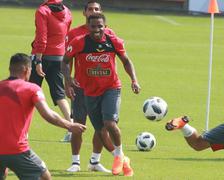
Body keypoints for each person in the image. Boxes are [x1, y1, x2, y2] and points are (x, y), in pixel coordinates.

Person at [62, 14, 141, 176]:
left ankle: (119, 154)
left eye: (100, 26)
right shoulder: (79, 42)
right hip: (89, 92)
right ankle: (122, 159)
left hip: (111, 88)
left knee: (109, 123)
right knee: (100, 130)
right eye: (93, 26)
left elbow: (126, 61)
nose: (97, 30)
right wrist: (68, 80)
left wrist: (134, 80)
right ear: (88, 26)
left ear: (105, 26)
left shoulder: (113, 41)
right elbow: (64, 61)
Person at [0, 53, 86, 180]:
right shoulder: (31, 89)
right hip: (17, 149)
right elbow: (48, 114)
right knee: (44, 176)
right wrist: (70, 125)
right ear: (26, 70)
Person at [64, 0, 115, 173]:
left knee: (101, 126)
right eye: (90, 9)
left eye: (97, 9)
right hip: (80, 86)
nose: (93, 11)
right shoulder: (74, 34)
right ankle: (75, 162)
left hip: (103, 87)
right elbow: (67, 60)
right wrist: (67, 82)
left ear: (101, 13)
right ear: (84, 12)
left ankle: (95, 161)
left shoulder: (109, 33)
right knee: (78, 123)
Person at [30, 0, 73, 142]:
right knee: (59, 94)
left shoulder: (42, 11)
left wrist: (38, 60)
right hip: (59, 57)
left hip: (43, 56)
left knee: (28, 93)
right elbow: (66, 35)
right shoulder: (67, 11)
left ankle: (22, 132)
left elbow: (42, 37)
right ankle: (72, 128)